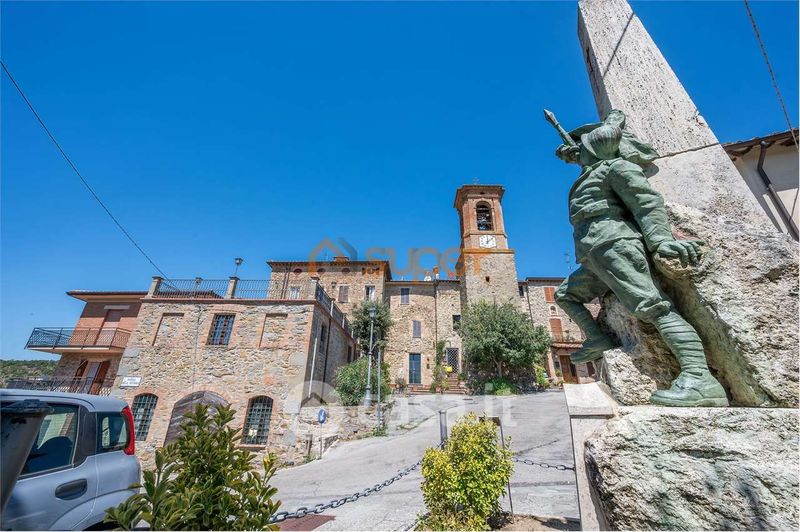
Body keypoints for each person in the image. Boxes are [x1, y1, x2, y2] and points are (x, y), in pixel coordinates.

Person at [551, 109, 728, 407]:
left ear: (595, 146)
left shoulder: (616, 167)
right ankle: (598, 339)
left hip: (616, 245)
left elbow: (646, 203)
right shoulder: (592, 172)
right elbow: (577, 160)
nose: (577, 150)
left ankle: (700, 378)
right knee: (565, 294)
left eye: (582, 146)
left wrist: (660, 241)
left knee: (653, 307)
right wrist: (574, 155)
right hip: (595, 255)